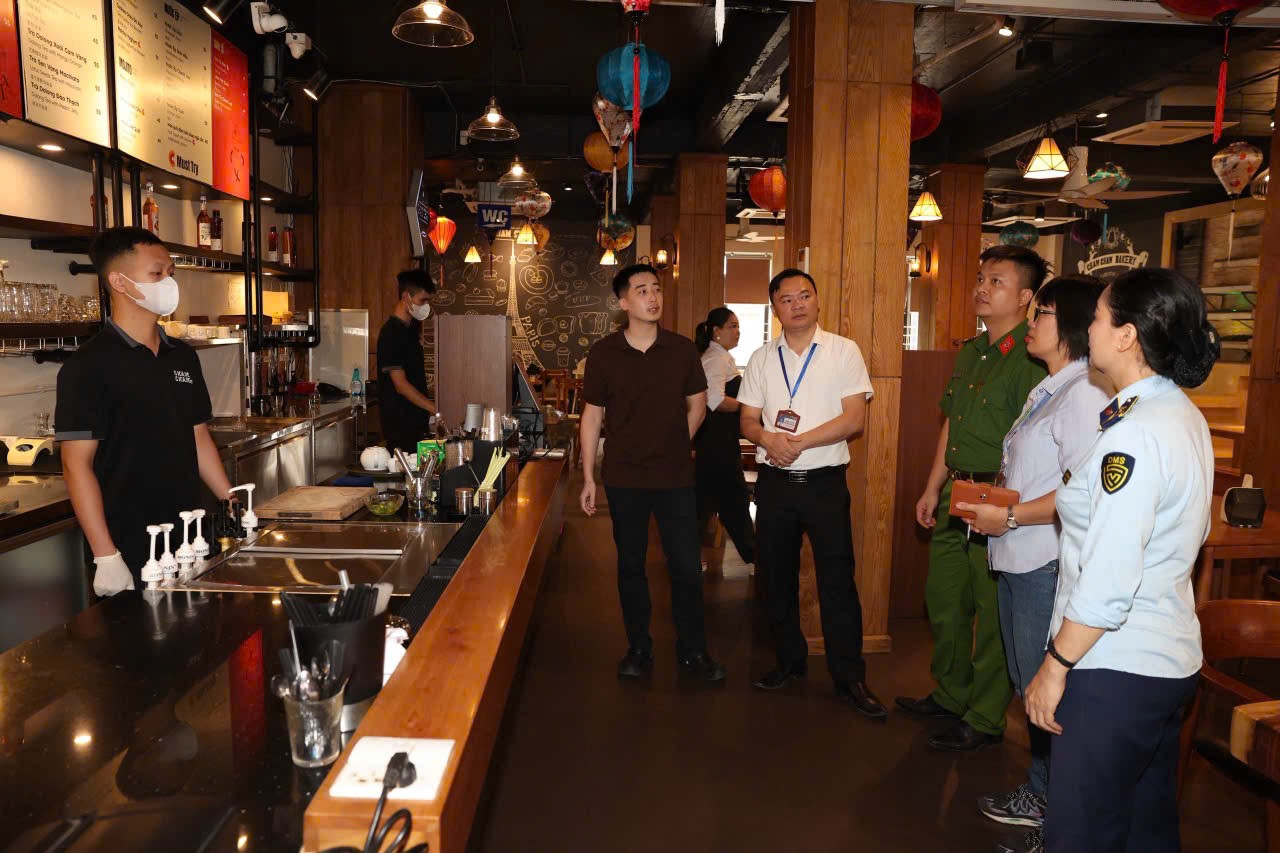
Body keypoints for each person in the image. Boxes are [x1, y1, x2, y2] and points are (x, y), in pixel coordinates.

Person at [1021, 268, 1218, 853]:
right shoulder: (1176, 413)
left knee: (1080, 833)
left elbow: (1108, 579)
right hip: (1165, 661)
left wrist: (1054, 666)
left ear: (1127, 336)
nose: (1090, 328)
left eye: (1100, 317)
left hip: (1115, 666)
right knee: (1143, 827)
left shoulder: (1134, 436)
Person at [950, 275, 1110, 837]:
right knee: (1027, 683)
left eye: (1041, 314)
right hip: (1019, 555)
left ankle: (1053, 804)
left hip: (1044, 559)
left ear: (1070, 326)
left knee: (1045, 691)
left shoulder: (1084, 393)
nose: (1031, 324)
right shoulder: (1054, 386)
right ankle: (1043, 792)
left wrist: (1012, 516)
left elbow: (1082, 491)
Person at [898, 244, 1049, 750]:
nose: (982, 288)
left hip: (999, 497)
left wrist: (1009, 508)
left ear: (1025, 297)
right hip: (956, 491)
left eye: (996, 281)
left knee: (991, 612)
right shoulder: (972, 351)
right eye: (981, 278)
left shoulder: (1033, 358)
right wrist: (932, 486)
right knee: (944, 601)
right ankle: (951, 694)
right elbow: (952, 423)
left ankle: (985, 716)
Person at [738, 269, 885, 719]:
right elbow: (747, 421)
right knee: (775, 579)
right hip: (775, 486)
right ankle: (789, 662)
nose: (797, 304)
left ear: (817, 301)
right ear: (775, 309)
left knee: (837, 581)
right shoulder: (762, 358)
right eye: (786, 299)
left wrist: (797, 442)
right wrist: (768, 438)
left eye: (805, 295)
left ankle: (849, 677)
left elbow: (853, 419)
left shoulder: (843, 350)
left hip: (824, 483)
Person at [55, 226, 234, 595]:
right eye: (156, 273)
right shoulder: (88, 365)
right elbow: (76, 465)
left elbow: (197, 435)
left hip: (190, 534)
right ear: (119, 282)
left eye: (170, 272)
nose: (168, 282)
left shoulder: (182, 355)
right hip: (130, 541)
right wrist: (105, 554)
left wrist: (232, 501)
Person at [579, 263, 726, 682]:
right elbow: (592, 417)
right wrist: (588, 477)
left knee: (686, 565)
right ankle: (639, 648)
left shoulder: (681, 350)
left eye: (657, 289)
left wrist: (678, 441)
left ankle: (693, 651)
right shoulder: (604, 353)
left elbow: (698, 405)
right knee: (631, 565)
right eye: (642, 290)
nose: (653, 297)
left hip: (674, 476)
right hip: (624, 476)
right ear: (624, 302)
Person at [693, 306, 755, 567]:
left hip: (718, 441)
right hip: (717, 443)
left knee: (706, 503)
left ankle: (684, 561)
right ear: (716, 331)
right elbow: (715, 400)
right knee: (733, 501)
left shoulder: (721, 357)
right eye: (732, 326)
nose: (738, 331)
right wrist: (749, 405)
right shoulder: (716, 358)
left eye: (738, 326)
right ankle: (756, 558)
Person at [376, 269, 437, 453]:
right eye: (422, 300)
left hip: (417, 424)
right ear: (405, 297)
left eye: (428, 301)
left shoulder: (411, 329)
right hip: (400, 427)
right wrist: (435, 408)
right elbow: (400, 385)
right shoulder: (390, 334)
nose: (425, 306)